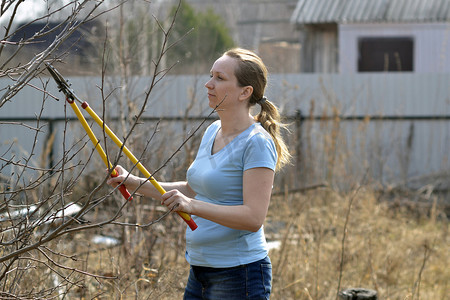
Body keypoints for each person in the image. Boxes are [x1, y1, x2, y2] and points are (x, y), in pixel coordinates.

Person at [107, 48, 291, 299]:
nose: (208, 84)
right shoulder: (212, 131)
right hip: (200, 271)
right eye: (211, 75)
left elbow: (253, 217)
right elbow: (191, 190)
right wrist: (133, 181)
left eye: (220, 78)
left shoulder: (256, 142)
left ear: (245, 92)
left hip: (239, 275)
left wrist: (193, 206)